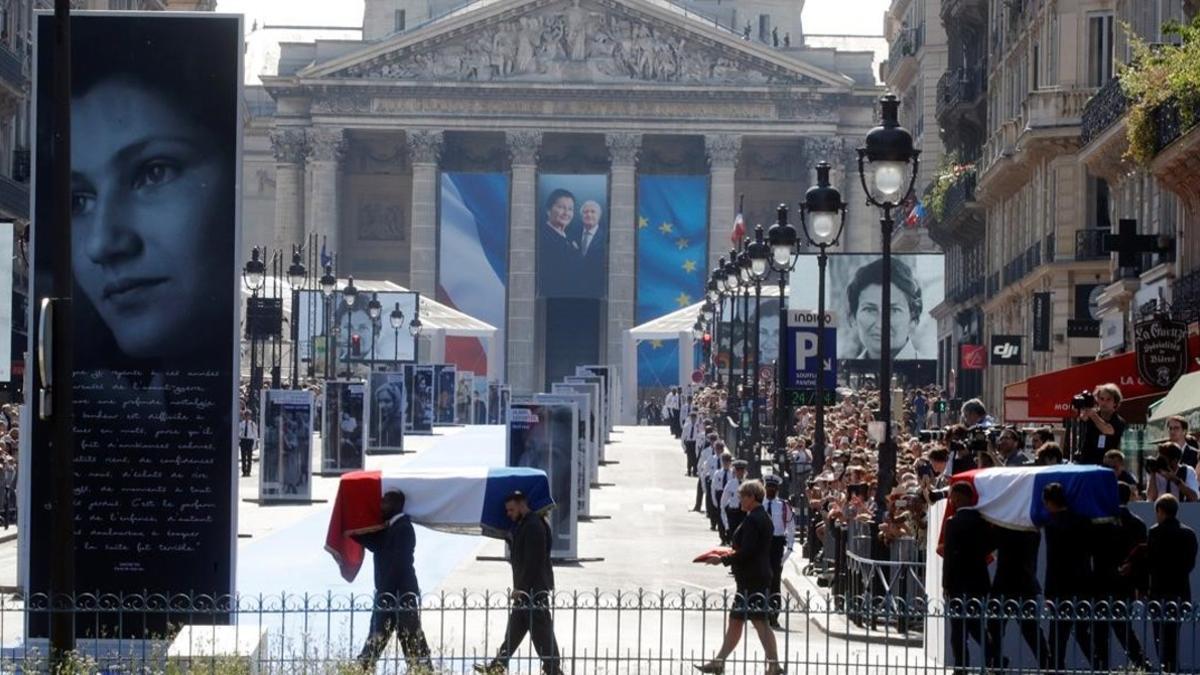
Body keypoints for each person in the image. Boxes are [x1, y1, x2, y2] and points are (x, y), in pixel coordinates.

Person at [699, 480, 784, 675]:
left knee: (760, 621)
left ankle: (774, 665)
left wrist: (722, 559)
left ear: (752, 497)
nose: (740, 500)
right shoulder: (761, 516)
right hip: (753, 576)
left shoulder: (754, 519)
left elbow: (748, 551)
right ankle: (719, 662)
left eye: (742, 496)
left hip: (752, 578)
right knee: (737, 620)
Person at [476, 491, 564, 675]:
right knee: (514, 632)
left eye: (511, 509)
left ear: (522, 504)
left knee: (542, 631)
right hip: (527, 589)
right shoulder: (525, 524)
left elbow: (533, 561)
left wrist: (521, 589)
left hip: (533, 589)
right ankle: (497, 667)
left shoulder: (533, 526)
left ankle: (553, 669)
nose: (509, 513)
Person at [352, 491, 432, 673]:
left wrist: (385, 591)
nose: (380, 506)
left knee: (410, 637)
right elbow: (375, 543)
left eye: (384, 503)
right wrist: (351, 529)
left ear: (396, 505)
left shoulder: (403, 527)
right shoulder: (390, 528)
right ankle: (362, 668)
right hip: (390, 593)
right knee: (377, 636)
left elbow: (398, 564)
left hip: (400, 593)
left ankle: (422, 669)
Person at [1041, 482, 1103, 672]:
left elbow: (1053, 560)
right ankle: (1098, 665)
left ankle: (1057, 668)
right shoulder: (1083, 521)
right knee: (1083, 633)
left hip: (1060, 585)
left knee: (1058, 635)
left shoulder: (1052, 524)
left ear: (1050, 502)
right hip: (1083, 582)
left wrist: (1048, 590)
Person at [942, 482, 993, 673]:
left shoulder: (953, 522)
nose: (951, 500)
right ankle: (993, 656)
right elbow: (990, 544)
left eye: (953, 496)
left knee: (958, 630)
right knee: (976, 625)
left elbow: (949, 557)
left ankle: (961, 665)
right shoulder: (982, 521)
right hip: (979, 580)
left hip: (958, 582)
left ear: (961, 497)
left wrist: (946, 583)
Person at [1145, 494, 1198, 673]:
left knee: (1160, 637)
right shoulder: (1189, 534)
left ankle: (1166, 669)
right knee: (1173, 635)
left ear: (1160, 511)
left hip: (1159, 591)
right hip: (1180, 591)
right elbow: (1190, 564)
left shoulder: (1155, 532)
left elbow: (1150, 563)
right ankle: (1172, 668)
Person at [844, 257, 927, 360]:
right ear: (853, 318)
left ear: (913, 318)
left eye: (893, 310)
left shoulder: (936, 373)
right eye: (870, 310)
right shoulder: (839, 373)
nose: (880, 324)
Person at [762, 475, 794, 630]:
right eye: (768, 487)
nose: (770, 490)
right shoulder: (760, 504)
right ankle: (760, 612)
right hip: (762, 544)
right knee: (761, 579)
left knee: (774, 580)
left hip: (776, 544)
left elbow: (790, 527)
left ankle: (774, 615)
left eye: (773, 488)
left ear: (777, 490)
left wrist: (789, 549)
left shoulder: (783, 506)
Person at [537, 188, 581, 297]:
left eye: (570, 209)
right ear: (548, 210)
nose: (566, 213)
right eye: (561, 207)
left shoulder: (570, 238)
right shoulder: (541, 238)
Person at [1074, 383, 1126, 465]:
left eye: (1108, 399)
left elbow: (1106, 429)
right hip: (1087, 463)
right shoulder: (1092, 415)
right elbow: (1082, 418)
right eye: (1101, 399)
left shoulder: (1118, 421)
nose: (1104, 402)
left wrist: (1092, 414)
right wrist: (1083, 411)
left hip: (1108, 464)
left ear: (1115, 402)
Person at [574, 199, 605, 290]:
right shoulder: (572, 235)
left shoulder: (606, 238)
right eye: (585, 212)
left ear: (599, 216)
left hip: (597, 289)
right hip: (573, 288)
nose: (589, 215)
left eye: (593, 212)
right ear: (581, 216)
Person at [720, 459, 749, 542]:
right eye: (738, 471)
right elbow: (723, 502)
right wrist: (726, 524)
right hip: (733, 513)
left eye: (742, 471)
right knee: (734, 537)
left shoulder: (748, 485)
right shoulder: (730, 484)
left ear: (744, 472)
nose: (740, 473)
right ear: (735, 472)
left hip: (744, 514)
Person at [711, 451, 735, 543]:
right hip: (719, 494)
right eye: (724, 462)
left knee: (728, 517)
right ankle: (722, 537)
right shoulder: (718, 473)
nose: (726, 464)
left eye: (728, 462)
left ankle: (728, 536)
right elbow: (713, 487)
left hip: (729, 496)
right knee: (720, 517)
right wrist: (714, 499)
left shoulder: (732, 474)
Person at [373, 381, 405, 448]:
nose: (382, 405)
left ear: (396, 401)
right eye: (379, 401)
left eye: (387, 401)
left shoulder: (397, 424)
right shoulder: (386, 420)